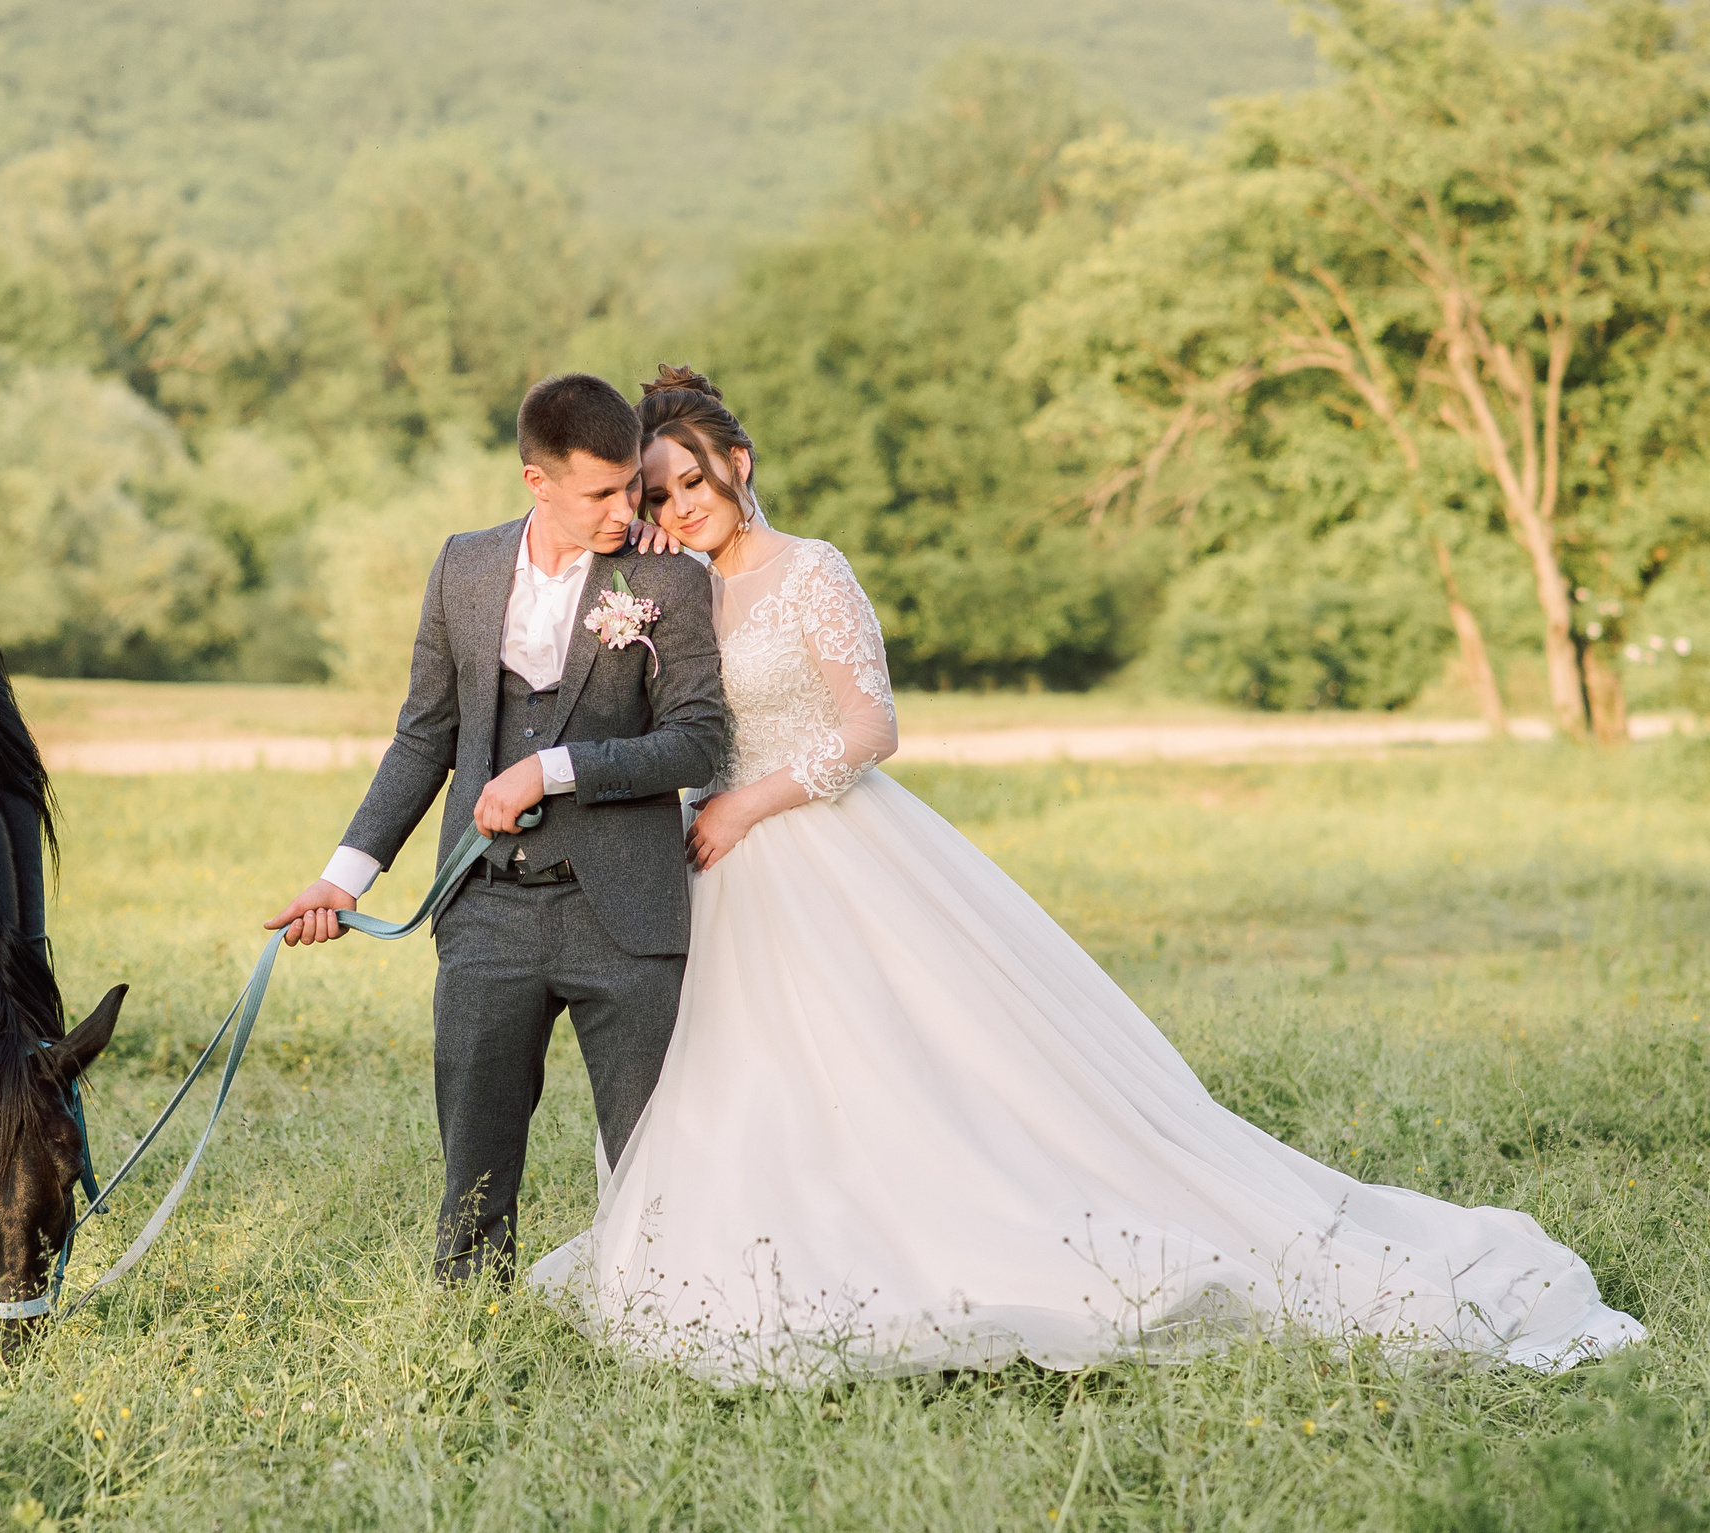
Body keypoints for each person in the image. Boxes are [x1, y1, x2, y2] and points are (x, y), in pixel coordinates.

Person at [526, 364, 1645, 1385]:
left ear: (739, 464)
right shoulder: (670, 593)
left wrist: (751, 800)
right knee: (739, 1071)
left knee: (913, 1068)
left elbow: (872, 725)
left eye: (690, 483)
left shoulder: (812, 572)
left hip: (821, 843)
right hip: (716, 872)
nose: (678, 510)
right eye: (660, 495)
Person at [268, 372, 726, 1283]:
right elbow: (423, 735)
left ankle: (670, 1322)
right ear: (537, 482)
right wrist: (344, 875)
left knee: (655, 1159)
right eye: (599, 491)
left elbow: (699, 741)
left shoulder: (666, 576)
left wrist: (554, 768)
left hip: (626, 915)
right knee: (473, 1169)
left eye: (630, 484)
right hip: (485, 911)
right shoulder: (463, 566)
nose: (624, 508)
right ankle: (471, 1340)